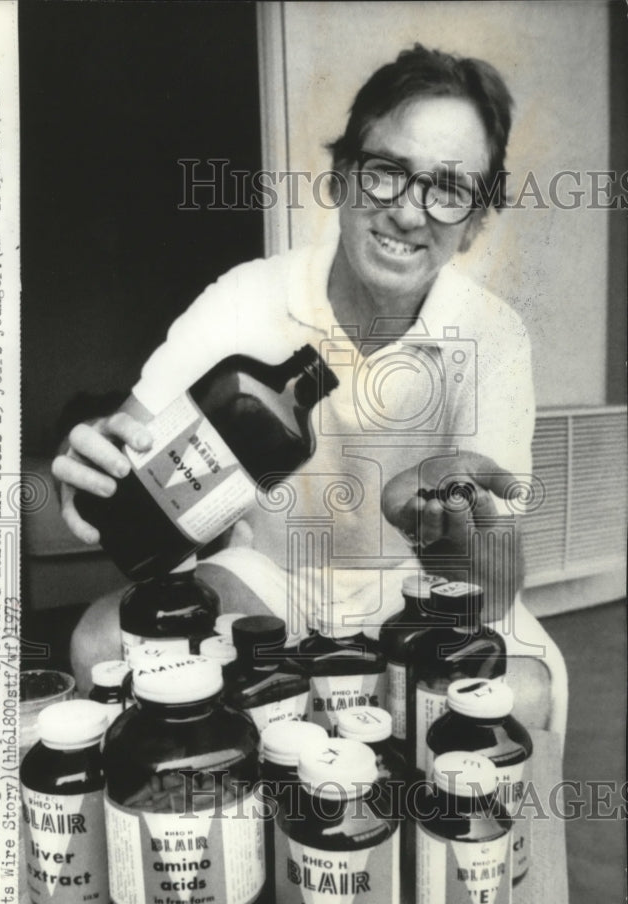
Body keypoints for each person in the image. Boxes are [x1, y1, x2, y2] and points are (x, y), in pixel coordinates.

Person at [52, 45, 554, 725]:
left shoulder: (494, 334)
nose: (409, 214)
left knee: (521, 696)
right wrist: (93, 472)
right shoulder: (245, 297)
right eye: (386, 173)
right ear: (343, 176)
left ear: (473, 224)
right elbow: (127, 448)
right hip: (268, 582)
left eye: (448, 190)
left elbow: (493, 593)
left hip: (427, 595)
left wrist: (449, 519)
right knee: (104, 639)